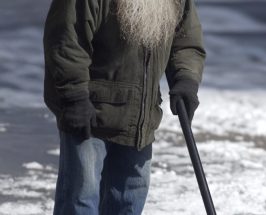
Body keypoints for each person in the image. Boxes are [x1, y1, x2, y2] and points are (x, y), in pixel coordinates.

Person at [43, 0, 206, 214]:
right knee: (81, 202)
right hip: (90, 112)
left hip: (140, 118)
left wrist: (186, 79)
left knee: (129, 201)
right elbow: (67, 39)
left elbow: (186, 41)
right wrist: (74, 96)